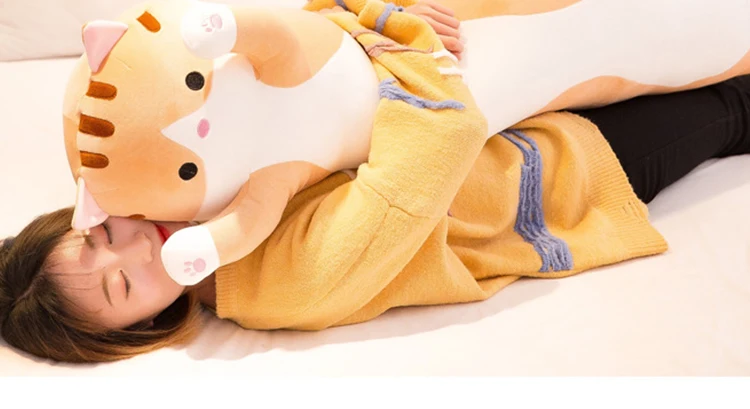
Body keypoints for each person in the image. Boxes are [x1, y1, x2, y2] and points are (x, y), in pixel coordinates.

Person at [3, 3, 750, 363]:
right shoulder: (278, 286)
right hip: (551, 173)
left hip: (509, 107)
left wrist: (377, 13)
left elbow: (298, 58)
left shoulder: (177, 181)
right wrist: (403, 46)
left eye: (101, 237)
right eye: (123, 285)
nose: (138, 246)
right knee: (731, 106)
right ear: (144, 327)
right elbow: (425, 159)